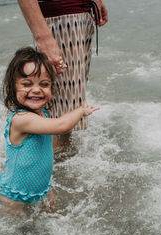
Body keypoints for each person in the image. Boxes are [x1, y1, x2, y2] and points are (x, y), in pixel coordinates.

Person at [0, 47, 99, 216]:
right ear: (13, 87)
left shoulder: (42, 114)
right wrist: (80, 110)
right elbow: (61, 126)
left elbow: (49, 145)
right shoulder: (21, 120)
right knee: (12, 233)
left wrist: (58, 67)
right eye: (27, 84)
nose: (37, 90)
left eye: (44, 84)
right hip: (16, 196)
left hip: (43, 188)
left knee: (55, 217)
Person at [18, 0, 108, 150]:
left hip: (78, 14)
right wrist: (43, 37)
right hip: (60, 17)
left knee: (66, 110)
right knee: (55, 114)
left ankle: (55, 167)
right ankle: (46, 170)